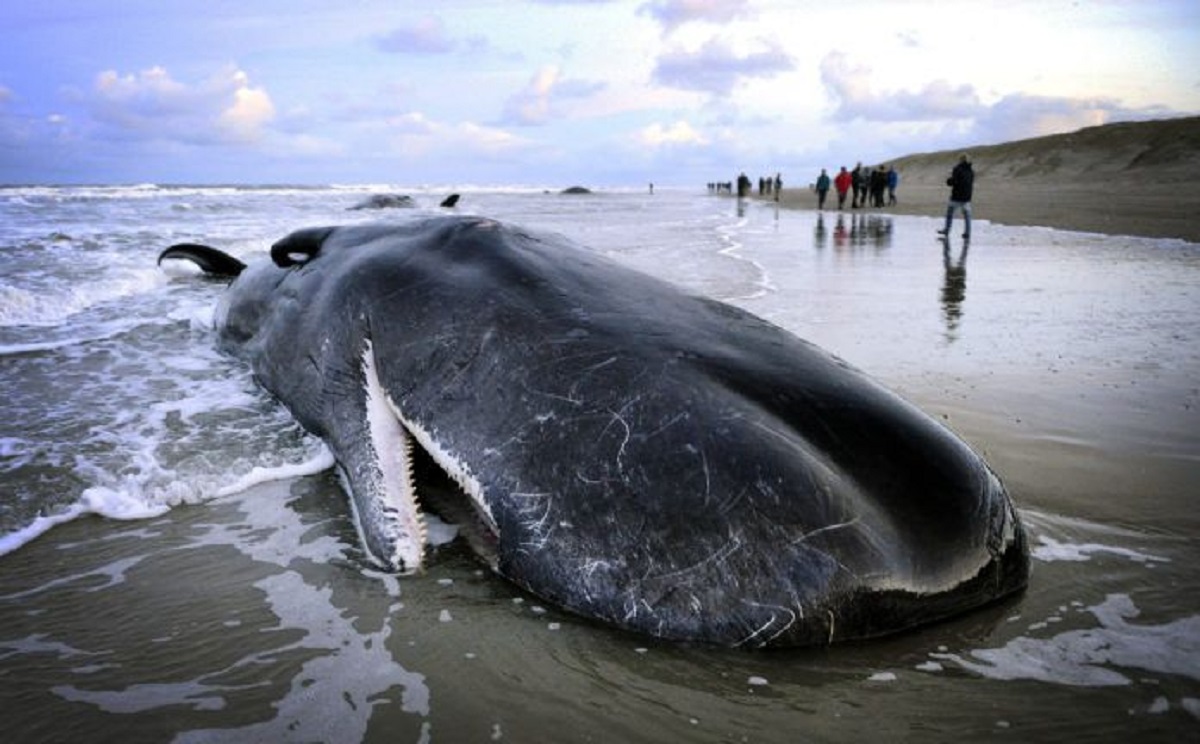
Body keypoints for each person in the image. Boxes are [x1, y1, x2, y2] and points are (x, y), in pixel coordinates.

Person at [938, 154, 974, 239]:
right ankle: (967, 233)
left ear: (961, 160)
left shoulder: (957, 169)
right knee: (967, 216)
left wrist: (948, 180)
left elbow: (954, 181)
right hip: (967, 196)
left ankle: (947, 230)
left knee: (950, 214)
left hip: (957, 196)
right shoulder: (971, 171)